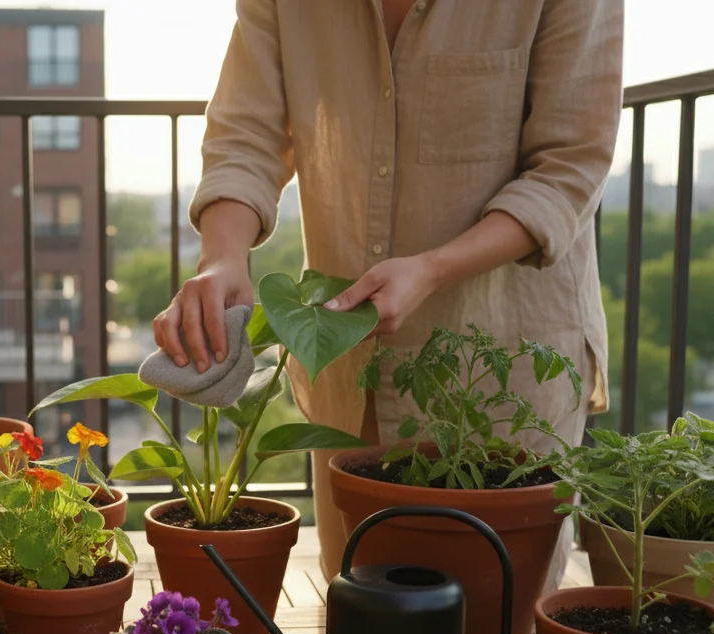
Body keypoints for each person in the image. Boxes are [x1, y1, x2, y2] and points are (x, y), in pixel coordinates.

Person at [154, 0, 621, 585]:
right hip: (356, 369)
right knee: (363, 623)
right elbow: (246, 133)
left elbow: (570, 164)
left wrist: (433, 269)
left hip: (506, 361)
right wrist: (223, 257)